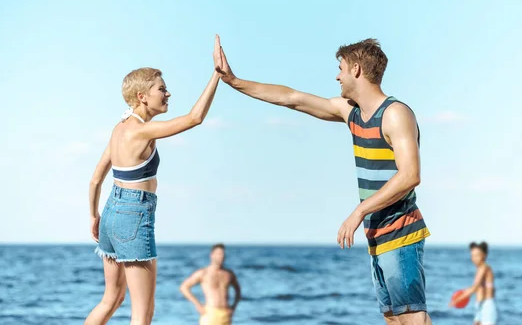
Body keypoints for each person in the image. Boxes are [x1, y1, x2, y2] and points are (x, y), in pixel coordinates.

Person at [213, 38, 432, 324]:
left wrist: (359, 211)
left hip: (400, 230)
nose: (337, 76)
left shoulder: (394, 114)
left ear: (356, 69)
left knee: (413, 319)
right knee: (392, 319)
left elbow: (410, 175)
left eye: (340, 68)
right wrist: (234, 81)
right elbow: (291, 98)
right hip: (376, 236)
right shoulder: (351, 112)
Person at [85, 36, 223, 325]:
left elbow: (96, 179)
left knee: (110, 300)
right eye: (162, 89)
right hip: (133, 215)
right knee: (143, 314)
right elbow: (195, 118)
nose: (168, 93)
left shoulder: (118, 129)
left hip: (111, 212)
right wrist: (217, 76)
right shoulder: (141, 131)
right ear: (142, 97)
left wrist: (95, 216)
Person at [180, 244, 242, 325]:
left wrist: (234, 306)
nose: (221, 256)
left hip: (226, 314)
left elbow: (238, 290)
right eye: (219, 254)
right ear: (212, 255)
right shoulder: (203, 273)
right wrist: (198, 305)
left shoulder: (228, 274)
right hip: (210, 314)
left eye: (223, 254)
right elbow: (184, 287)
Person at [449, 242, 498, 325]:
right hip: (479, 306)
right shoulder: (479, 269)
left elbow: (475, 288)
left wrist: (457, 300)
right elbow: (476, 288)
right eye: (472, 255)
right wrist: (464, 291)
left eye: (477, 255)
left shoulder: (484, 268)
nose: (474, 258)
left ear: (484, 255)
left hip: (487, 306)